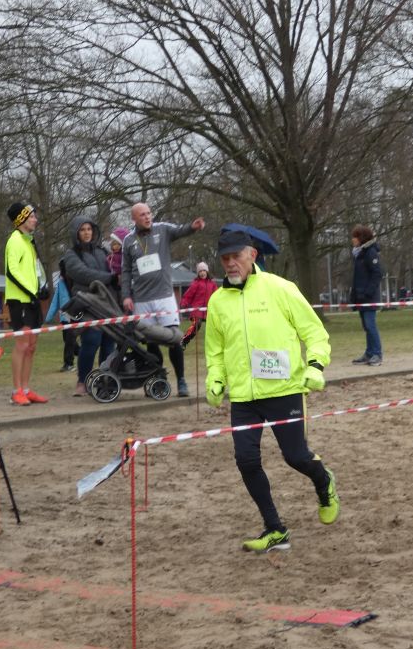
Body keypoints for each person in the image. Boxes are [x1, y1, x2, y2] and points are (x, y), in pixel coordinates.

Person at [205, 228, 339, 554]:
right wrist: (215, 378)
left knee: (296, 457)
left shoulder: (281, 288)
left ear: (252, 255)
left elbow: (315, 333)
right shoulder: (217, 301)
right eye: (225, 258)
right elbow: (216, 350)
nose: (230, 263)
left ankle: (323, 481)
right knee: (246, 460)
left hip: (284, 390)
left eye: (236, 256)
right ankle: (275, 529)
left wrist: (315, 366)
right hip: (244, 397)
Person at [121, 202, 205, 397]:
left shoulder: (163, 229)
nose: (147, 217)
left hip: (164, 296)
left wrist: (192, 227)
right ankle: (159, 379)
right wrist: (126, 295)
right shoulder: (128, 240)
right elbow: (125, 271)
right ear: (134, 218)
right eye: (142, 215)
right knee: (151, 342)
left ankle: (181, 381)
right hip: (142, 299)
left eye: (149, 213)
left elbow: (180, 230)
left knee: (174, 339)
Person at [62, 215, 118, 397]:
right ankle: (82, 381)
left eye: (89, 229)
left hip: (107, 303)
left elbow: (114, 268)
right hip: (87, 304)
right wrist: (110, 278)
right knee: (91, 340)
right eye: (82, 230)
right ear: (76, 233)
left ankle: (104, 380)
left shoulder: (103, 251)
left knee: (108, 342)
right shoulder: (71, 255)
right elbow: (83, 274)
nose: (86, 233)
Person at [4, 202, 50, 406]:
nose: (35, 220)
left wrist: (41, 286)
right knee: (22, 345)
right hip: (19, 300)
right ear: (21, 218)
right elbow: (11, 271)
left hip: (32, 299)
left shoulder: (29, 241)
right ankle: (16, 391)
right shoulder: (14, 240)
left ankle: (26, 388)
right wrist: (30, 292)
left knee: (31, 346)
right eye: (31, 216)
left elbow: (34, 270)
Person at [350, 225, 384, 367]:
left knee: (371, 325)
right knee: (366, 326)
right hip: (361, 297)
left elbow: (377, 273)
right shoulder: (359, 254)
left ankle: (377, 354)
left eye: (355, 237)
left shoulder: (370, 252)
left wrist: (368, 292)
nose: (353, 240)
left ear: (361, 238)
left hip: (369, 297)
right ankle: (369, 353)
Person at [45, 261, 79, 372]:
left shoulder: (76, 281)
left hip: (75, 316)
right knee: (68, 340)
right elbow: (55, 301)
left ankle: (68, 364)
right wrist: (49, 317)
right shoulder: (60, 283)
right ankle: (81, 352)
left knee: (69, 340)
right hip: (64, 317)